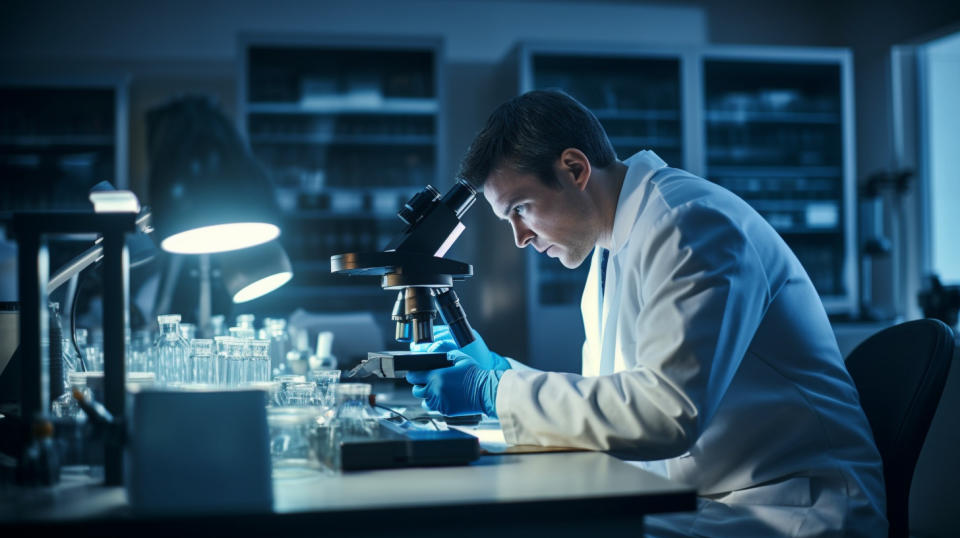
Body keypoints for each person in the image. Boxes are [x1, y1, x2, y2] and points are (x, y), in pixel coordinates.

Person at [406, 90, 887, 536]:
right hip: (709, 489)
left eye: (522, 209)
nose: (521, 237)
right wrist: (504, 373)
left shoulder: (689, 224)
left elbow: (665, 414)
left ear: (575, 169)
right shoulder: (612, 248)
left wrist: (497, 392)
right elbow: (620, 400)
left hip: (787, 506)